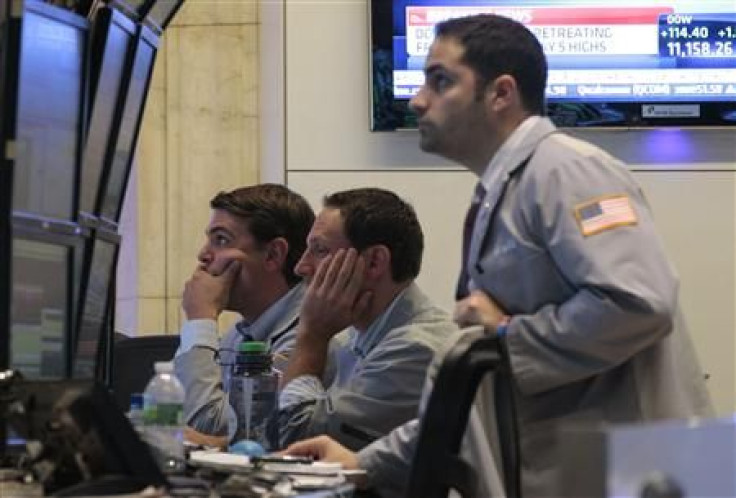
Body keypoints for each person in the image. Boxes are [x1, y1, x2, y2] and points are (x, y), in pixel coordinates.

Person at [283, 13, 713, 496]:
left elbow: (639, 303)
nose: (417, 99)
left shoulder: (568, 171)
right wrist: (363, 463)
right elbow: (479, 397)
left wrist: (506, 334)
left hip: (632, 476)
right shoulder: (504, 190)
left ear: (501, 93)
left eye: (440, 81)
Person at [273, 187, 459, 451]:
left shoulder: (416, 350)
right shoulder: (351, 337)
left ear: (374, 262)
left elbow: (299, 444)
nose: (301, 266)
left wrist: (310, 336)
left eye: (320, 250)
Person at [173, 184, 315, 436]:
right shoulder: (241, 334)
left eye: (221, 240)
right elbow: (176, 413)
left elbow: (215, 430)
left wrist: (200, 319)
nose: (203, 254)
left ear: (273, 254)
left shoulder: (307, 337)